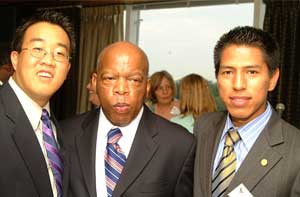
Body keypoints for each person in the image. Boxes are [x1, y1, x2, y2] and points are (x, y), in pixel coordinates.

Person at [61, 41, 195, 197]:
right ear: (95, 82)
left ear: (146, 86)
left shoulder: (179, 145)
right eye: (110, 78)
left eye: (134, 80)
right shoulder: (65, 135)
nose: (121, 89)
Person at [193, 26, 300, 197]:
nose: (238, 84)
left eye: (251, 72)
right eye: (228, 72)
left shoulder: (295, 150)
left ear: (272, 79)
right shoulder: (203, 126)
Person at [0, 10, 75, 197]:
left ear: (67, 68)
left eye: (59, 53)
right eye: (37, 49)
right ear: (15, 59)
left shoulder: (55, 128)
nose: (48, 60)